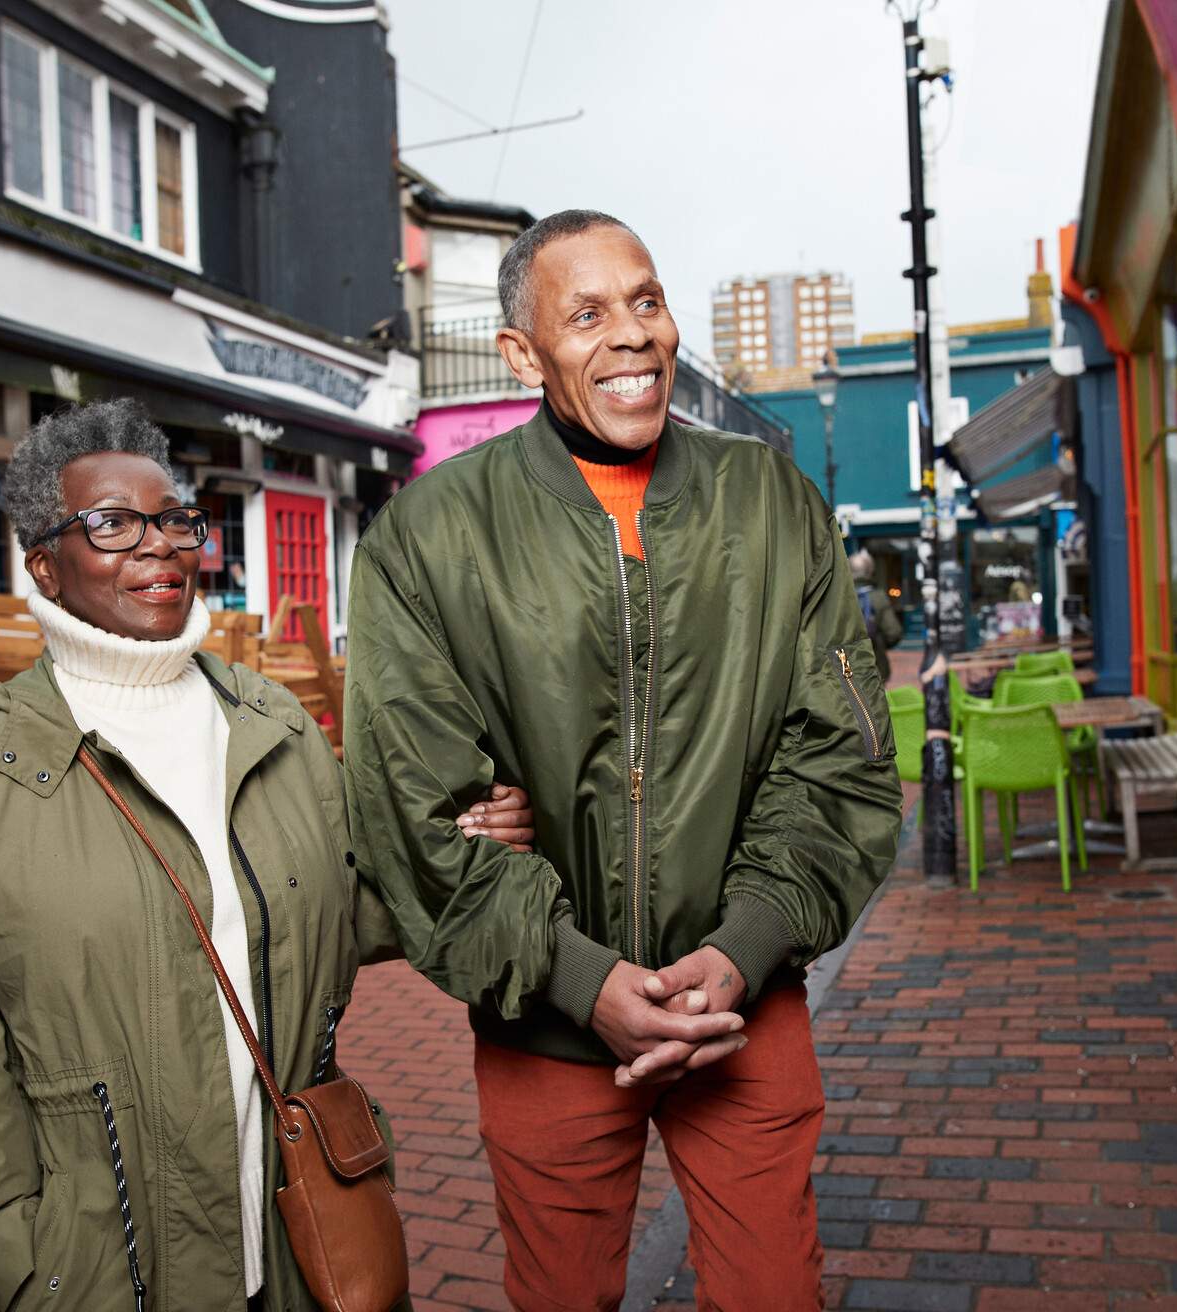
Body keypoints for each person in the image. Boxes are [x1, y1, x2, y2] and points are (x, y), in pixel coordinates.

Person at [0, 399, 534, 1312]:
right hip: (94, 1267)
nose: (160, 544)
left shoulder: (267, 719)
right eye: (114, 524)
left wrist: (445, 851)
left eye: (174, 519)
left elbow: (337, 907)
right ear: (45, 562)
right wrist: (6, 1247)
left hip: (300, 1239)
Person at [343, 211, 904, 1310]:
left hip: (743, 1010)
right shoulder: (429, 536)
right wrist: (584, 981)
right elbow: (417, 812)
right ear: (522, 354)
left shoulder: (773, 501)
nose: (632, 335)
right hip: (545, 1027)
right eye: (587, 313)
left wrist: (741, 948)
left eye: (645, 300)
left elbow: (839, 764)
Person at [850, 548, 904, 681]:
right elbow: (894, 633)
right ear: (870, 571)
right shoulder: (877, 597)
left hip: (844, 669)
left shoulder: (838, 597)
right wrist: (878, 645)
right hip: (874, 666)